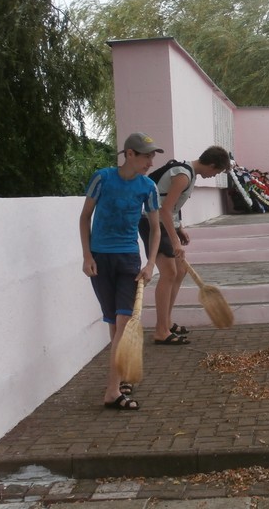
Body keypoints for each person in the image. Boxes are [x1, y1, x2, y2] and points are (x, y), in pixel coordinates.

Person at [79, 132, 163, 410]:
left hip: (129, 259)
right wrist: (87, 255)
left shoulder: (148, 187)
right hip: (101, 259)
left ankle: (112, 391)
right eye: (146, 155)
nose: (151, 161)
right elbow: (85, 217)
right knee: (114, 324)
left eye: (152, 155)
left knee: (124, 322)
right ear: (129, 154)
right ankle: (122, 377)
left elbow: (155, 228)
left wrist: (150, 263)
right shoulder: (102, 178)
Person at [139, 146, 232, 345]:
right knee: (169, 272)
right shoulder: (183, 175)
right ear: (212, 165)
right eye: (216, 172)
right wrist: (175, 241)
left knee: (180, 270)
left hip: (163, 222)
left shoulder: (189, 173)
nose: (213, 176)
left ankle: (167, 322)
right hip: (151, 222)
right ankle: (160, 331)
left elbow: (171, 206)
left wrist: (179, 228)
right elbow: (164, 210)